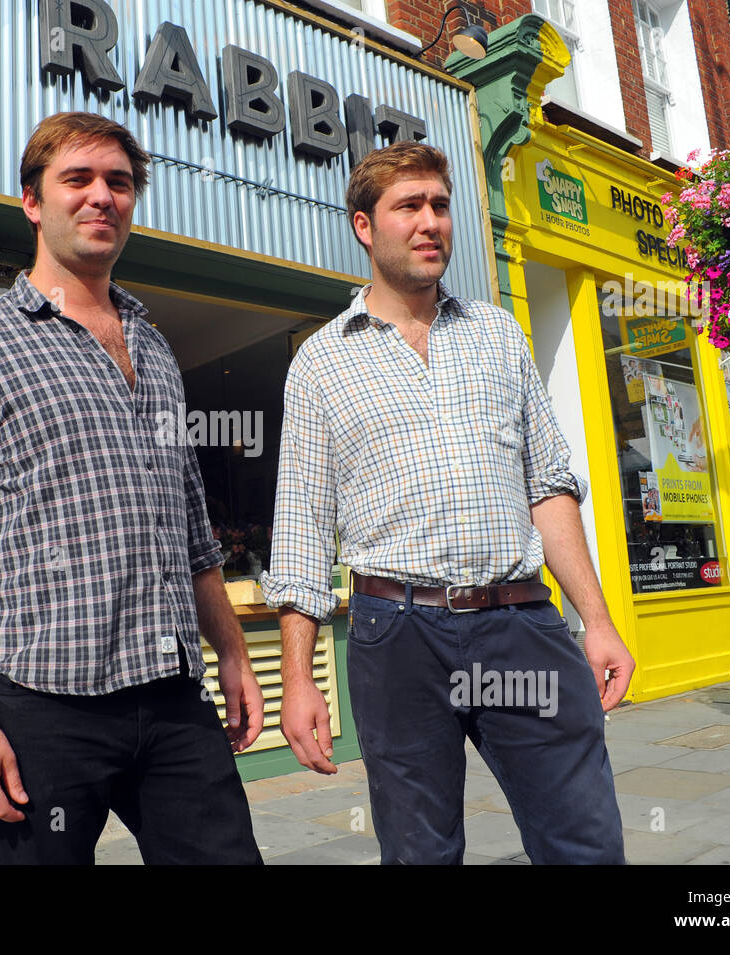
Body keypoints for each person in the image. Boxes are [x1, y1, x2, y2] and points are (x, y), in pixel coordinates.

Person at [0, 111, 264, 865]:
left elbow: (192, 525)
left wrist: (231, 649)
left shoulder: (156, 347)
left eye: (120, 182)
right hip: (43, 703)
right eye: (78, 179)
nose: (102, 196)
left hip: (171, 692)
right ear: (33, 201)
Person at [262, 141, 633, 865]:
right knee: (419, 851)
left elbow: (548, 486)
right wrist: (300, 680)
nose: (430, 221)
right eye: (409, 206)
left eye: (439, 204)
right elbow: (300, 527)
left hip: (521, 621)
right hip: (395, 635)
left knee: (583, 840)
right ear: (365, 226)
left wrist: (597, 619)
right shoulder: (321, 360)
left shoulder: (497, 333)